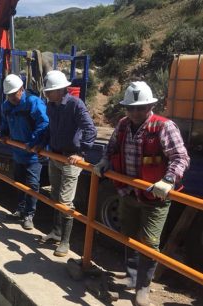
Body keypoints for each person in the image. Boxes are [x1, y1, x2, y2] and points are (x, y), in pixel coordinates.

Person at [93, 81, 190, 306]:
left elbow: (181, 157)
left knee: (149, 242)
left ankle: (143, 288)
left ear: (151, 106)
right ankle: (132, 276)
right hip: (128, 193)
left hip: (155, 198)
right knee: (129, 235)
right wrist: (105, 161)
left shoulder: (163, 127)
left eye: (140, 107)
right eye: (131, 108)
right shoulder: (123, 125)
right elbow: (112, 148)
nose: (135, 112)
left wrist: (168, 179)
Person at [39, 70, 97, 257]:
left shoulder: (75, 104)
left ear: (62, 90)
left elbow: (90, 129)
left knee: (65, 200)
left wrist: (81, 153)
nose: (47, 94)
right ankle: (56, 232)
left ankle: (65, 241)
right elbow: (50, 128)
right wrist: (40, 143)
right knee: (55, 196)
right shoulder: (51, 105)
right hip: (55, 156)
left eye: (50, 91)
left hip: (71, 159)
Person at [0, 74, 49, 230]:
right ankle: (20, 211)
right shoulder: (6, 105)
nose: (12, 98)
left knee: (33, 185)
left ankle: (29, 215)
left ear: (21, 89)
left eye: (14, 94)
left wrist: (33, 142)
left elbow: (44, 123)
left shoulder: (33, 103)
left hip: (33, 153)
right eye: (9, 95)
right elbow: (5, 121)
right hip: (18, 151)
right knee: (19, 183)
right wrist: (4, 133)